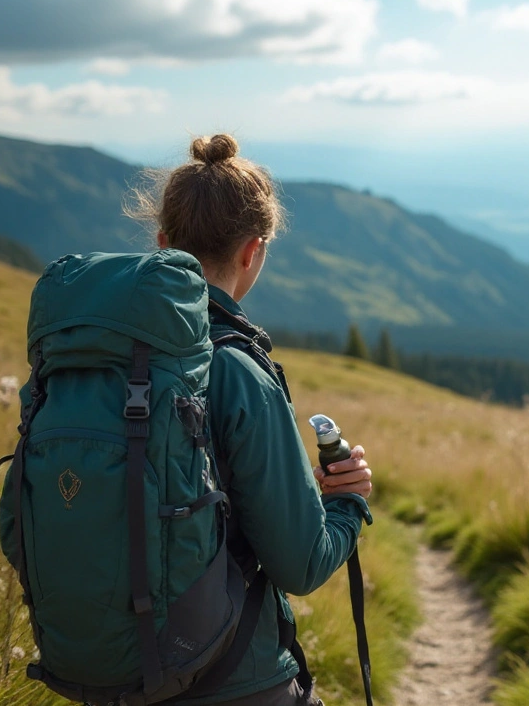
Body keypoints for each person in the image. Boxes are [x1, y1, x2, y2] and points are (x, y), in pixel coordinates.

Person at [130, 133, 374, 706]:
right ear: (252, 251)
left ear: (163, 242)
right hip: (230, 678)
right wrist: (347, 502)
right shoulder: (238, 371)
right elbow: (302, 564)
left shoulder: (93, 357)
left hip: (107, 673)